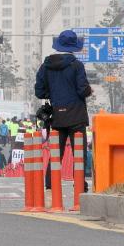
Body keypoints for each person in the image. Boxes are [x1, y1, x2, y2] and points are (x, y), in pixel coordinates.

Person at [35, 29, 93, 191]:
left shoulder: (45, 67)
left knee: (56, 153)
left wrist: (53, 93)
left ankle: (50, 183)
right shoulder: (76, 65)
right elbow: (82, 90)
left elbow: (39, 91)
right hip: (77, 116)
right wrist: (89, 90)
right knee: (79, 154)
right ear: (74, 47)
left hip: (57, 117)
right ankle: (80, 185)